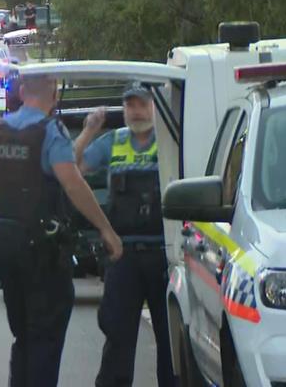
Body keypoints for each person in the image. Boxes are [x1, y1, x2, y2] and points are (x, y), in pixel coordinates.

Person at [0, 76, 123, 387]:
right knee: (45, 336)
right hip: (42, 249)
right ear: (54, 95)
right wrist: (106, 229)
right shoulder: (49, 131)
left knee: (24, 336)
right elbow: (71, 182)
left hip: (5, 245)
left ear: (20, 92)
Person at [73, 84, 177, 387]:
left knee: (170, 341)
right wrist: (89, 131)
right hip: (123, 257)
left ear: (156, 108)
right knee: (118, 337)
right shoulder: (112, 142)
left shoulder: (171, 143)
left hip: (165, 256)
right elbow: (72, 165)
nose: (137, 111)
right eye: (130, 105)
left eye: (142, 104)